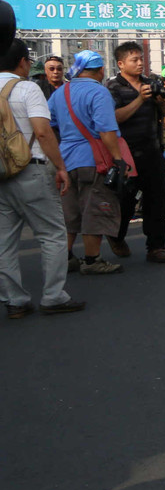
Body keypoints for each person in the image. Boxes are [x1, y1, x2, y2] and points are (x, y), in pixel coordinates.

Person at [0, 39, 84, 316]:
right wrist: (60, 167)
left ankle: (15, 300)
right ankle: (53, 296)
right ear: (23, 62)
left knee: (5, 241)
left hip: (1, 175)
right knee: (52, 235)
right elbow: (44, 132)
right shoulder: (27, 88)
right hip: (31, 169)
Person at [47, 51, 124, 275]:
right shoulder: (99, 92)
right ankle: (92, 260)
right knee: (95, 207)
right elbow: (106, 130)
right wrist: (118, 160)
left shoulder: (61, 92)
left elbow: (48, 123)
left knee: (69, 211)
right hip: (93, 160)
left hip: (65, 160)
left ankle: (67, 257)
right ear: (100, 70)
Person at [107, 41, 165, 263]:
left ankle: (156, 247)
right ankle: (116, 236)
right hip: (125, 154)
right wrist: (140, 99)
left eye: (141, 59)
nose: (139, 64)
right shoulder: (113, 87)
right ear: (121, 63)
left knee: (157, 198)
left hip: (152, 150)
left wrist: (160, 103)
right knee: (124, 200)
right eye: (134, 60)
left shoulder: (152, 82)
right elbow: (115, 117)